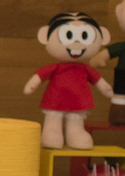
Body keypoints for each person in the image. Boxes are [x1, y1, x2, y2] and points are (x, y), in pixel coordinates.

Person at [23, 11, 113, 149]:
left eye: (84, 36)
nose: (76, 43)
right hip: (55, 100)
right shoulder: (56, 68)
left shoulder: (85, 69)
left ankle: (76, 134)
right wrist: (33, 84)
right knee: (53, 121)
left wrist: (107, 89)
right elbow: (40, 76)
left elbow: (99, 81)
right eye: (69, 35)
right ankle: (51, 133)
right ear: (45, 36)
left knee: (75, 122)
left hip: (78, 102)